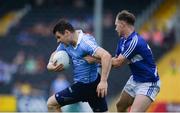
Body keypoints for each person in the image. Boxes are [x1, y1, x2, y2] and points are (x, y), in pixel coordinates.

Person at [46, 19, 112, 112]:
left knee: (51, 104)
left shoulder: (85, 42)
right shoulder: (66, 44)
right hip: (92, 84)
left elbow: (106, 56)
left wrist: (104, 82)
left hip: (84, 86)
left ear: (66, 32)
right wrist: (50, 65)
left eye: (59, 37)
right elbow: (55, 54)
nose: (58, 41)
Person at [112, 10, 161, 112]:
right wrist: (100, 60)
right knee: (120, 106)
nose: (115, 28)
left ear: (123, 24)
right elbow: (115, 60)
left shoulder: (135, 41)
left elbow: (117, 63)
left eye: (116, 25)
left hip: (149, 82)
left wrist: (96, 59)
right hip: (135, 79)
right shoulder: (122, 41)